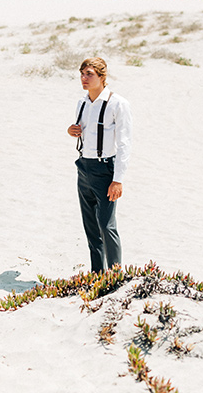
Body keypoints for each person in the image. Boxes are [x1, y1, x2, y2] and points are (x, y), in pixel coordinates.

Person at [66, 57, 133, 273]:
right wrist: (72, 130)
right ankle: (97, 274)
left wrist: (118, 180)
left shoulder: (118, 104)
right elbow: (84, 131)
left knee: (107, 225)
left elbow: (124, 144)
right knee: (91, 228)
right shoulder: (82, 102)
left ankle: (115, 275)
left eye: (89, 74)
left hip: (105, 170)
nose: (84, 79)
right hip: (83, 167)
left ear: (102, 77)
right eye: (82, 74)